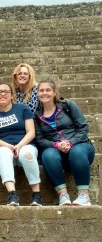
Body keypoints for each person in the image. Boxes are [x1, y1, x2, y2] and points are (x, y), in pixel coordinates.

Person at [34, 78, 95, 206]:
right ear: (37, 93)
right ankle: (63, 195)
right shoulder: (36, 115)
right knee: (47, 155)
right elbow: (40, 140)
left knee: (76, 152)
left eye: (48, 90)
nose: (44, 93)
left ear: (54, 92)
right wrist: (56, 145)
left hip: (80, 146)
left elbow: (83, 128)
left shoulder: (68, 105)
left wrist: (71, 143)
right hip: (56, 151)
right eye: (41, 90)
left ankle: (84, 196)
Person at [0, 83, 42, 206]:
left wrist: (19, 146)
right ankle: (12, 194)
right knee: (5, 153)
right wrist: (9, 147)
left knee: (27, 153)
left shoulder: (22, 109)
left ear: (12, 96)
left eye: (6, 91)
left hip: (24, 145)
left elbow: (31, 132)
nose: (3, 94)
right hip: (1, 149)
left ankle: (37, 194)